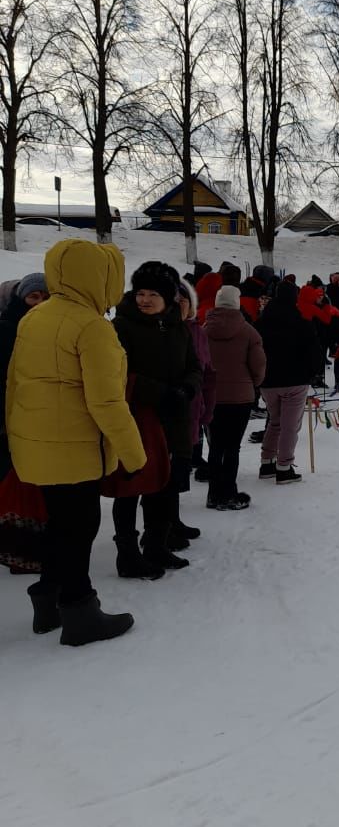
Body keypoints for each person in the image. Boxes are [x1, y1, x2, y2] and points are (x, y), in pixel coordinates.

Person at [6, 239, 145, 644]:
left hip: (38, 445)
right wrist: (134, 454)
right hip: (75, 448)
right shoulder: (92, 327)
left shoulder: (35, 318)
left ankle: (47, 600)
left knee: (58, 526)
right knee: (80, 527)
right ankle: (81, 612)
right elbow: (106, 401)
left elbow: (14, 383)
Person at [111, 261, 201, 577]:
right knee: (131, 485)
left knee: (163, 483)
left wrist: (188, 388)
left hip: (173, 416)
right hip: (137, 416)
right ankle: (127, 553)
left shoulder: (178, 326)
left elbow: (194, 365)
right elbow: (119, 375)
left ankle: (156, 546)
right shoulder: (121, 326)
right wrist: (160, 392)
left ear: (168, 297)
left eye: (153, 294)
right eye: (141, 292)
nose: (145, 299)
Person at [0, 274, 49, 576]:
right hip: (8, 419)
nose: (40, 303)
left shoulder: (51, 329)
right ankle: (15, 550)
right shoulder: (6, 329)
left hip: (41, 419)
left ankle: (34, 548)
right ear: (22, 298)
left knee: (37, 486)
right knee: (11, 483)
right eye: (34, 297)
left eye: (46, 297)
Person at [204, 285, 266, 509]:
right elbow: (258, 366)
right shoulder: (249, 332)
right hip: (240, 398)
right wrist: (253, 384)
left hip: (211, 396)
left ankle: (213, 494)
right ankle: (229, 492)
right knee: (232, 447)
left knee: (215, 447)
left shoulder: (203, 330)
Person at [258, 281, 315, 485]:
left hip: (268, 380)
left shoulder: (262, 322)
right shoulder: (300, 322)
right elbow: (312, 350)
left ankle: (267, 462)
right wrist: (311, 373)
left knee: (275, 421)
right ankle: (284, 467)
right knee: (290, 425)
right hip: (295, 380)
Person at [175, 279, 215, 548]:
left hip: (191, 408)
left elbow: (206, 370)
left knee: (179, 469)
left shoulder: (196, 331)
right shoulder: (161, 332)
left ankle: (171, 519)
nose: (178, 305)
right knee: (163, 471)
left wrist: (206, 406)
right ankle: (159, 528)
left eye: (183, 300)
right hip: (166, 410)